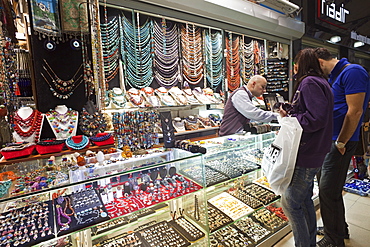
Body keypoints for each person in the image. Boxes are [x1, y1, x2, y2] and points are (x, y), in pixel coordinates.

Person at [314, 48, 370, 247]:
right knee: (330, 190)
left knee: (328, 190)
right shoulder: (335, 77)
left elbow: (355, 112)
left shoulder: (352, 72)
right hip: (331, 141)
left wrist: (341, 142)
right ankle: (337, 228)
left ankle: (334, 239)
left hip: (340, 142)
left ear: (320, 62)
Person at [279, 48, 334, 247]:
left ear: (302, 64)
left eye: (296, 64)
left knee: (290, 203)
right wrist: (293, 109)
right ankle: (308, 242)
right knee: (303, 200)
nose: (294, 69)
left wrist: (292, 117)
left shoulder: (309, 82)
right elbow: (314, 112)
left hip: (308, 151)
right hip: (315, 150)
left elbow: (315, 118)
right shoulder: (321, 83)